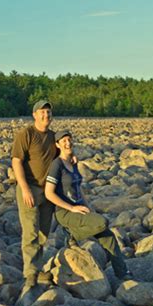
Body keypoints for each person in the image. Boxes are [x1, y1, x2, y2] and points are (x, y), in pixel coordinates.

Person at [44, 130, 129, 279]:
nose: (68, 143)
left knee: (108, 236)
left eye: (69, 139)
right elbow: (48, 193)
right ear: (57, 144)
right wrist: (71, 208)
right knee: (102, 222)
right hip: (64, 212)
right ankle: (71, 234)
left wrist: (88, 206)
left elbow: (78, 188)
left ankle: (122, 273)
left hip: (80, 209)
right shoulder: (56, 165)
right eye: (63, 141)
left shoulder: (73, 163)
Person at [11, 100, 57, 287]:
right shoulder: (26, 134)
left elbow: (62, 157)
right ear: (35, 115)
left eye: (48, 112)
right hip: (29, 189)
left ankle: (38, 268)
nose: (46, 115)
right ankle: (30, 273)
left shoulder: (54, 137)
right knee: (30, 231)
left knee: (43, 232)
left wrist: (72, 156)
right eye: (42, 112)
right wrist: (25, 189)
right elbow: (16, 162)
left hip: (48, 191)